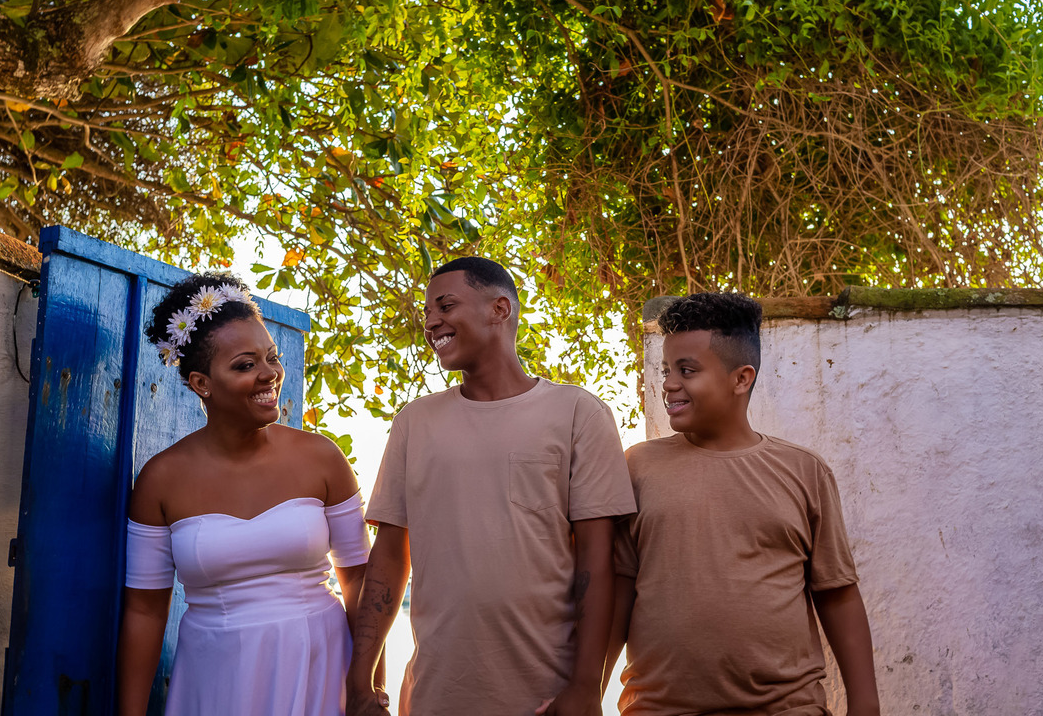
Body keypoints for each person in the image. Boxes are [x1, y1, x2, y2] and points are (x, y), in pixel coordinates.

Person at [346, 257, 636, 716]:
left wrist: (586, 686)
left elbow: (598, 561)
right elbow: (389, 556)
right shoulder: (414, 422)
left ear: (500, 309)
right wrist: (360, 678)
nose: (431, 323)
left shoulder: (579, 413)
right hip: (433, 695)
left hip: (545, 698)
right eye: (427, 313)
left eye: (445, 306)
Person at [606, 292, 881, 716]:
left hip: (786, 707)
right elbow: (618, 592)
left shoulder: (803, 472)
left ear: (741, 378)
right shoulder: (638, 467)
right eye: (666, 370)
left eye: (687, 370)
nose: (669, 384)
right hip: (659, 707)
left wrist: (866, 705)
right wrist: (586, 688)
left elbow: (837, 593)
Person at [116, 272, 374, 716]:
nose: (269, 374)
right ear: (201, 383)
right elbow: (145, 612)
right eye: (245, 365)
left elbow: (361, 584)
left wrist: (370, 690)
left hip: (321, 664)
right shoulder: (160, 480)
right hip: (216, 675)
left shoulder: (323, 458)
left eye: (271, 358)